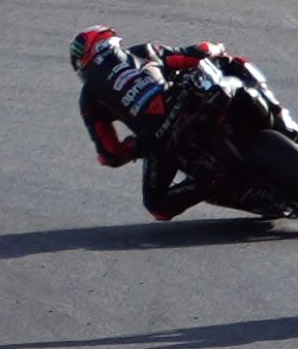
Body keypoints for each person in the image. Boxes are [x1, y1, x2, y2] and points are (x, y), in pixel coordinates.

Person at [75, 26, 219, 221]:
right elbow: (196, 53)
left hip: (158, 138)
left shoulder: (88, 98)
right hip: (185, 103)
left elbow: (111, 153)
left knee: (157, 206)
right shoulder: (143, 51)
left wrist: (134, 147)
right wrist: (217, 49)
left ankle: (210, 180)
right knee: (225, 68)